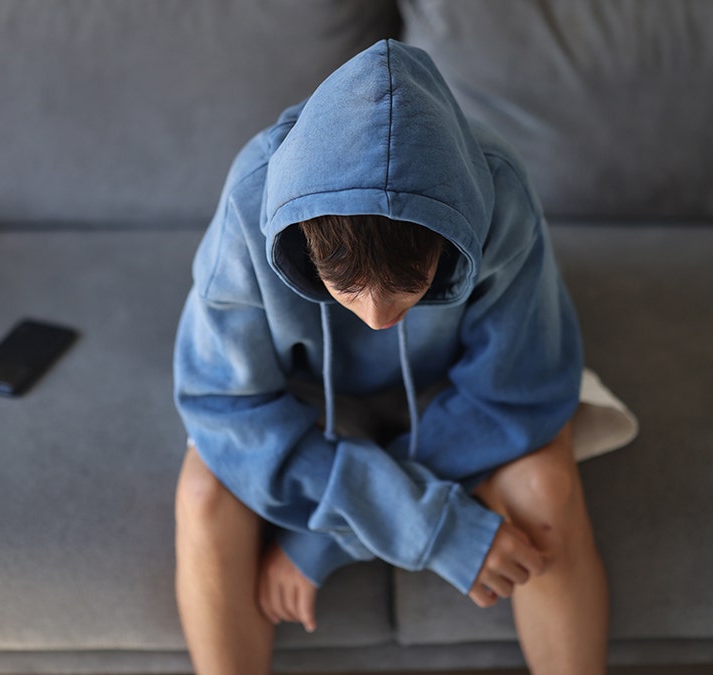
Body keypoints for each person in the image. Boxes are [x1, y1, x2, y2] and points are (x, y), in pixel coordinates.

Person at [173, 39, 635, 675]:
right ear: (305, 249)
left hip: (455, 389)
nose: (378, 320)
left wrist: (318, 539)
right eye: (345, 291)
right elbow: (224, 404)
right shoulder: (252, 199)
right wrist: (426, 525)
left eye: (412, 291)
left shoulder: (499, 189)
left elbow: (517, 396)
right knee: (202, 498)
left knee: (548, 487)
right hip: (307, 395)